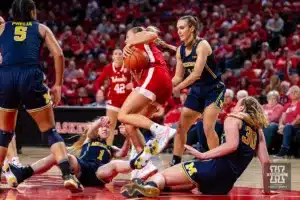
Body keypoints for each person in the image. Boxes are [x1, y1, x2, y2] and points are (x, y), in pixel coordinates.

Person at [0, 0, 82, 192]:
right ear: (31, 11)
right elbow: (59, 54)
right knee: (49, 131)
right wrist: (58, 85)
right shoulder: (41, 28)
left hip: (6, 76)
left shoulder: (2, 28)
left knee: (4, 132)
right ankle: (67, 175)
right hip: (30, 76)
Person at [121, 97, 270, 198]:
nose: (235, 106)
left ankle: (149, 184)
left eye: (238, 104)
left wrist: (203, 155)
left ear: (242, 107)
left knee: (163, 175)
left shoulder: (234, 118)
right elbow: (266, 162)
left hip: (213, 169)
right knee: (180, 184)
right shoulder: (258, 131)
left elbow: (232, 145)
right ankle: (150, 186)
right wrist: (268, 190)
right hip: (224, 185)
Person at [132, 15, 226, 168]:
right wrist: (164, 86)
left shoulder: (203, 45)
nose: (179, 31)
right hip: (197, 90)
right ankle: (175, 161)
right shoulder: (180, 50)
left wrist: (175, 88)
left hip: (214, 89)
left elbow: (195, 74)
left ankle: (217, 163)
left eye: (182, 28)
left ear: (192, 28)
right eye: (177, 28)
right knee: (181, 128)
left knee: (207, 126)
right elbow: (177, 77)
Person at [6, 117, 134, 187]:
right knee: (61, 155)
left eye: (107, 129)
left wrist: (128, 137)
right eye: (103, 128)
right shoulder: (89, 139)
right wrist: (100, 121)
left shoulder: (111, 148)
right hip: (81, 168)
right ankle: (23, 173)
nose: (105, 129)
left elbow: (123, 152)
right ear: (97, 131)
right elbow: (91, 130)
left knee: (115, 163)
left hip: (99, 173)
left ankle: (138, 163)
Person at [118, 26, 174, 163]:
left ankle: (161, 131)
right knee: (130, 123)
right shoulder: (136, 55)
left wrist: (132, 42)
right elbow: (139, 84)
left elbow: (152, 34)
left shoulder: (142, 39)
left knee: (122, 115)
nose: (126, 41)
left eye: (128, 37)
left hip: (156, 75)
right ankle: (143, 160)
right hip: (163, 84)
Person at [94, 49, 133, 145]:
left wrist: (133, 84)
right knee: (110, 127)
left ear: (123, 56)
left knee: (130, 128)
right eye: (116, 53)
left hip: (126, 102)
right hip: (113, 101)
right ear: (113, 57)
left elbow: (139, 79)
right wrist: (99, 90)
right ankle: (108, 149)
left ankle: (134, 151)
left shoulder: (129, 66)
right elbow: (98, 81)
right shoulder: (108, 68)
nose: (118, 55)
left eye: (120, 54)